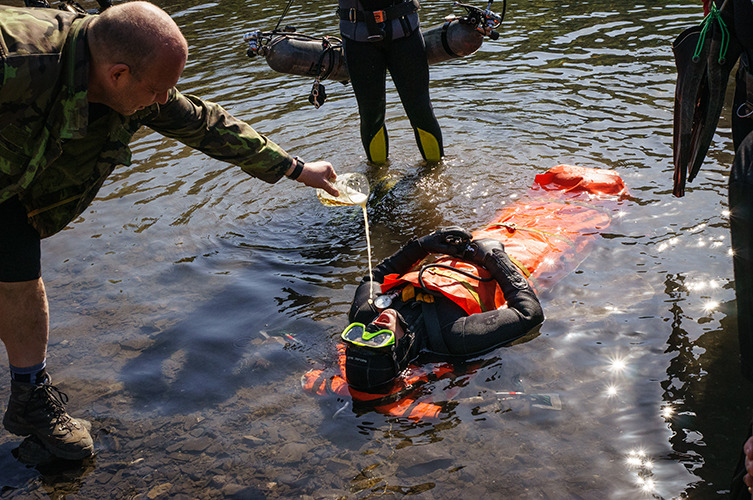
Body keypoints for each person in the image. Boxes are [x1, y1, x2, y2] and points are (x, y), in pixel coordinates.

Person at [0, 0, 340, 461]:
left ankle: (30, 400)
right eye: (159, 89)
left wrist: (297, 169)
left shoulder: (128, 80)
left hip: (10, 192)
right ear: (119, 75)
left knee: (20, 276)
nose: (164, 100)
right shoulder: (15, 62)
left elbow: (202, 123)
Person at [341, 227, 543, 392]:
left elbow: (373, 278)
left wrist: (422, 246)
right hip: (505, 254)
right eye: (379, 338)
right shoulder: (455, 335)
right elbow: (529, 315)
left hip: (466, 252)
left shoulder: (367, 314)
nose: (374, 326)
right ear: (400, 351)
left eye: (360, 335)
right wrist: (496, 258)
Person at [337, 0, 443, 163]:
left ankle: (436, 174)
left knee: (421, 110)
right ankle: (378, 178)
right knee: (371, 114)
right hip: (358, 40)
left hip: (405, 34)